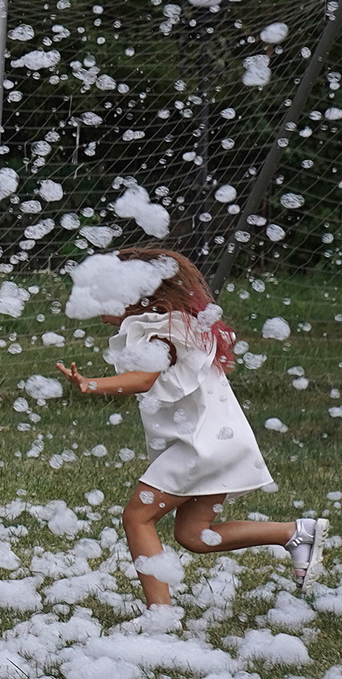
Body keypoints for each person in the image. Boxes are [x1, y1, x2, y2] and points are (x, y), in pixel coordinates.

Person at [56, 247, 324, 610]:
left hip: (201, 445)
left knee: (138, 517)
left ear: (134, 297)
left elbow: (145, 378)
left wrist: (91, 384)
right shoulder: (172, 323)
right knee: (194, 535)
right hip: (219, 438)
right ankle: (295, 534)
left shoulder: (161, 330)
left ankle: (160, 616)